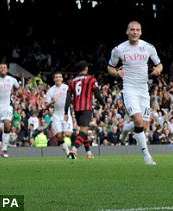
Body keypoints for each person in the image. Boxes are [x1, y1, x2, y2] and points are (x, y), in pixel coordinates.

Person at [107, 21, 162, 165]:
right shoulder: (119, 49)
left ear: (141, 32)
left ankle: (126, 129)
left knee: (143, 126)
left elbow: (159, 64)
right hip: (129, 89)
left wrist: (158, 70)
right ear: (127, 31)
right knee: (138, 121)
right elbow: (110, 67)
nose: (135, 32)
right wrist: (117, 74)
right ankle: (147, 156)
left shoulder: (148, 47)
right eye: (132, 29)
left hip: (143, 89)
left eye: (137, 30)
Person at [64, 61, 104, 159]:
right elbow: (97, 94)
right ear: (86, 68)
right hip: (86, 108)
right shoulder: (91, 79)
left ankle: (89, 153)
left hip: (77, 109)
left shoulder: (72, 81)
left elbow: (68, 98)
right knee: (84, 130)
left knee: (83, 130)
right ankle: (74, 150)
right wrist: (103, 103)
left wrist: (66, 112)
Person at [0, 63, 23, 158]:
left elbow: (20, 91)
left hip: (7, 106)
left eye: (4, 67)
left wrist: (19, 93)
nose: (3, 69)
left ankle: (4, 150)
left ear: (7, 70)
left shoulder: (12, 80)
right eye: (1, 67)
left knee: (7, 124)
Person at [44, 71, 73, 157]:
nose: (58, 79)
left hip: (66, 114)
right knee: (59, 135)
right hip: (57, 114)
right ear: (54, 79)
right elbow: (46, 105)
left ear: (62, 79)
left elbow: (72, 98)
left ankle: (62, 135)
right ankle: (68, 153)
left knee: (68, 134)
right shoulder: (51, 90)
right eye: (56, 77)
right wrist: (53, 101)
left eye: (59, 77)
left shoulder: (67, 87)